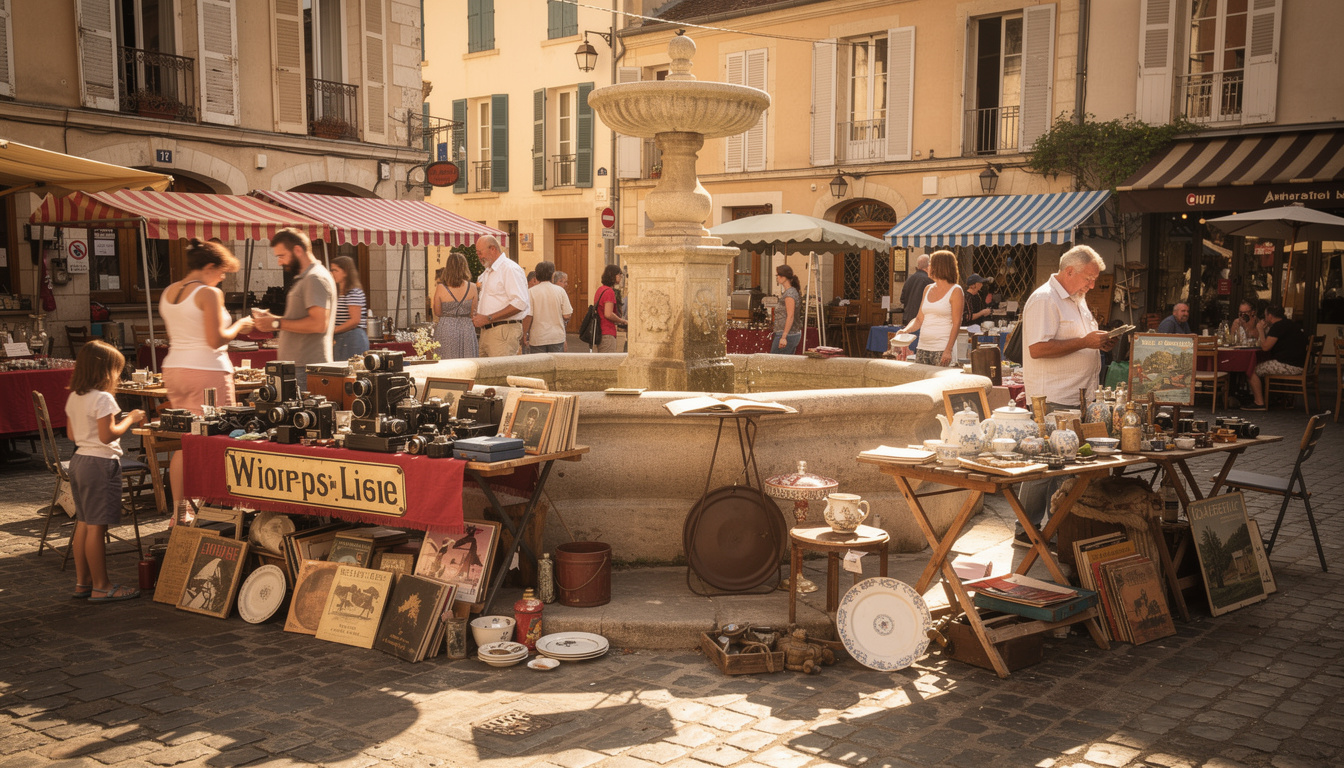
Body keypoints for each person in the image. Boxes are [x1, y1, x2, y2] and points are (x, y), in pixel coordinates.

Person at [1016, 245, 1114, 545]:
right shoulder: (1045, 299)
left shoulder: (1076, 299)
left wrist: (1099, 342)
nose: (1092, 285)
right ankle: (1027, 529)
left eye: (1094, 279)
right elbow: (1038, 349)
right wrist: (1085, 342)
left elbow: (1079, 341)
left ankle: (1055, 528)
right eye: (1089, 278)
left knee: (1064, 467)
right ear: (1069, 271)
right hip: (1053, 396)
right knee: (1046, 465)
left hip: (1077, 394)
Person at [159, 239, 254, 524]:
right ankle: (219, 510)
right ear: (209, 266)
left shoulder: (170, 291)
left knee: (185, 442)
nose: (222, 278)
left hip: (175, 367)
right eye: (222, 272)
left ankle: (181, 512)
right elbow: (216, 339)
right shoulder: (209, 293)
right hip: (208, 370)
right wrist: (240, 325)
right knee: (220, 437)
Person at [64, 340, 147, 603]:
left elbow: (71, 434)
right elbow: (107, 435)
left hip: (79, 460)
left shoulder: (75, 396)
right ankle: (101, 585)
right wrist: (130, 419)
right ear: (106, 372)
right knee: (97, 527)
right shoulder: (103, 398)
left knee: (84, 522)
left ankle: (83, 582)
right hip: (100, 463)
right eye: (117, 371)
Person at [252, 228, 336, 392]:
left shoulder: (315, 278)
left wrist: (276, 323)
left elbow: (318, 324)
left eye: (282, 256)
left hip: (306, 368)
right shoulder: (308, 277)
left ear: (297, 250)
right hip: (301, 367)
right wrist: (271, 318)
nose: (279, 262)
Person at [899, 250, 963, 367]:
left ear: (940, 267)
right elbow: (919, 319)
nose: (928, 267)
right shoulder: (927, 288)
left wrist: (948, 350)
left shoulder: (956, 290)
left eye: (931, 264)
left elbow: (957, 323)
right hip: (923, 347)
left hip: (942, 348)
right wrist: (905, 330)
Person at [472, 235, 530, 356]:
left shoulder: (509, 268)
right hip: (487, 330)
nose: (479, 257)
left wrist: (488, 318)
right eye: (477, 253)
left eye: (480, 253)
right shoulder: (488, 271)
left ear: (493, 249)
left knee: (501, 368)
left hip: (503, 331)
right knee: (485, 368)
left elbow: (519, 303)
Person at [1244, 304, 1308, 411]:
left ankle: (1259, 402)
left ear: (1270, 316)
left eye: (1265, 315)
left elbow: (1265, 347)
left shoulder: (1278, 326)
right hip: (1299, 363)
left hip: (1289, 365)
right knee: (1262, 365)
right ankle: (1271, 397)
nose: (1265, 318)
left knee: (1251, 369)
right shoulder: (1289, 324)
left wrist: (1260, 330)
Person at [432, 252, 479, 359]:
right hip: (466, 328)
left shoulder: (441, 288)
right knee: (468, 361)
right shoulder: (472, 287)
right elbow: (473, 312)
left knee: (446, 360)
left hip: (446, 327)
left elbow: (437, 312)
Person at [524, 261, 572, 354]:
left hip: (538, 337)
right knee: (556, 362)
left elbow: (528, 316)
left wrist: (525, 333)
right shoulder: (560, 291)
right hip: (556, 337)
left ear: (537, 275)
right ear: (552, 275)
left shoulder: (531, 292)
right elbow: (567, 315)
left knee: (539, 363)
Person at [329, 256, 369, 361]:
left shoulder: (353, 292)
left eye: (335, 270)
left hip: (352, 339)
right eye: (331, 270)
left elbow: (355, 321)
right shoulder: (337, 293)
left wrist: (333, 330)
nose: (332, 273)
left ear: (345, 272)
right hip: (340, 339)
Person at [771, 264, 803, 354]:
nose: (777, 277)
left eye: (778, 275)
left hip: (787, 334)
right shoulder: (789, 292)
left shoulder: (789, 294)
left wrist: (784, 337)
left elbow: (790, 315)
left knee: (774, 360)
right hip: (787, 333)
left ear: (783, 277)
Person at [594, 264, 626, 353]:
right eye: (619, 275)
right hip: (607, 332)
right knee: (607, 359)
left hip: (599, 331)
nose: (620, 277)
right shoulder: (609, 292)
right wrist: (622, 321)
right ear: (613, 276)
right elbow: (608, 314)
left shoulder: (600, 289)